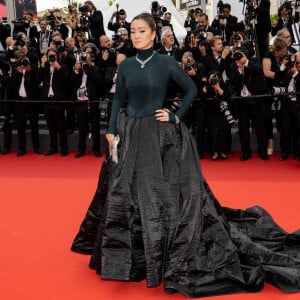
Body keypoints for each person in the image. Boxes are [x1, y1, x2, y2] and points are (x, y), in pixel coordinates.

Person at [71, 12, 300, 298]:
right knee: (124, 192)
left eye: (141, 31)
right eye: (132, 32)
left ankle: (163, 246)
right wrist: (112, 128)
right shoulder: (126, 65)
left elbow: (191, 89)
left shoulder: (167, 62)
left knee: (161, 192)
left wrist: (176, 116)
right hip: (129, 134)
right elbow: (118, 99)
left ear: (154, 33)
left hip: (159, 134)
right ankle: (134, 253)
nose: (135, 35)